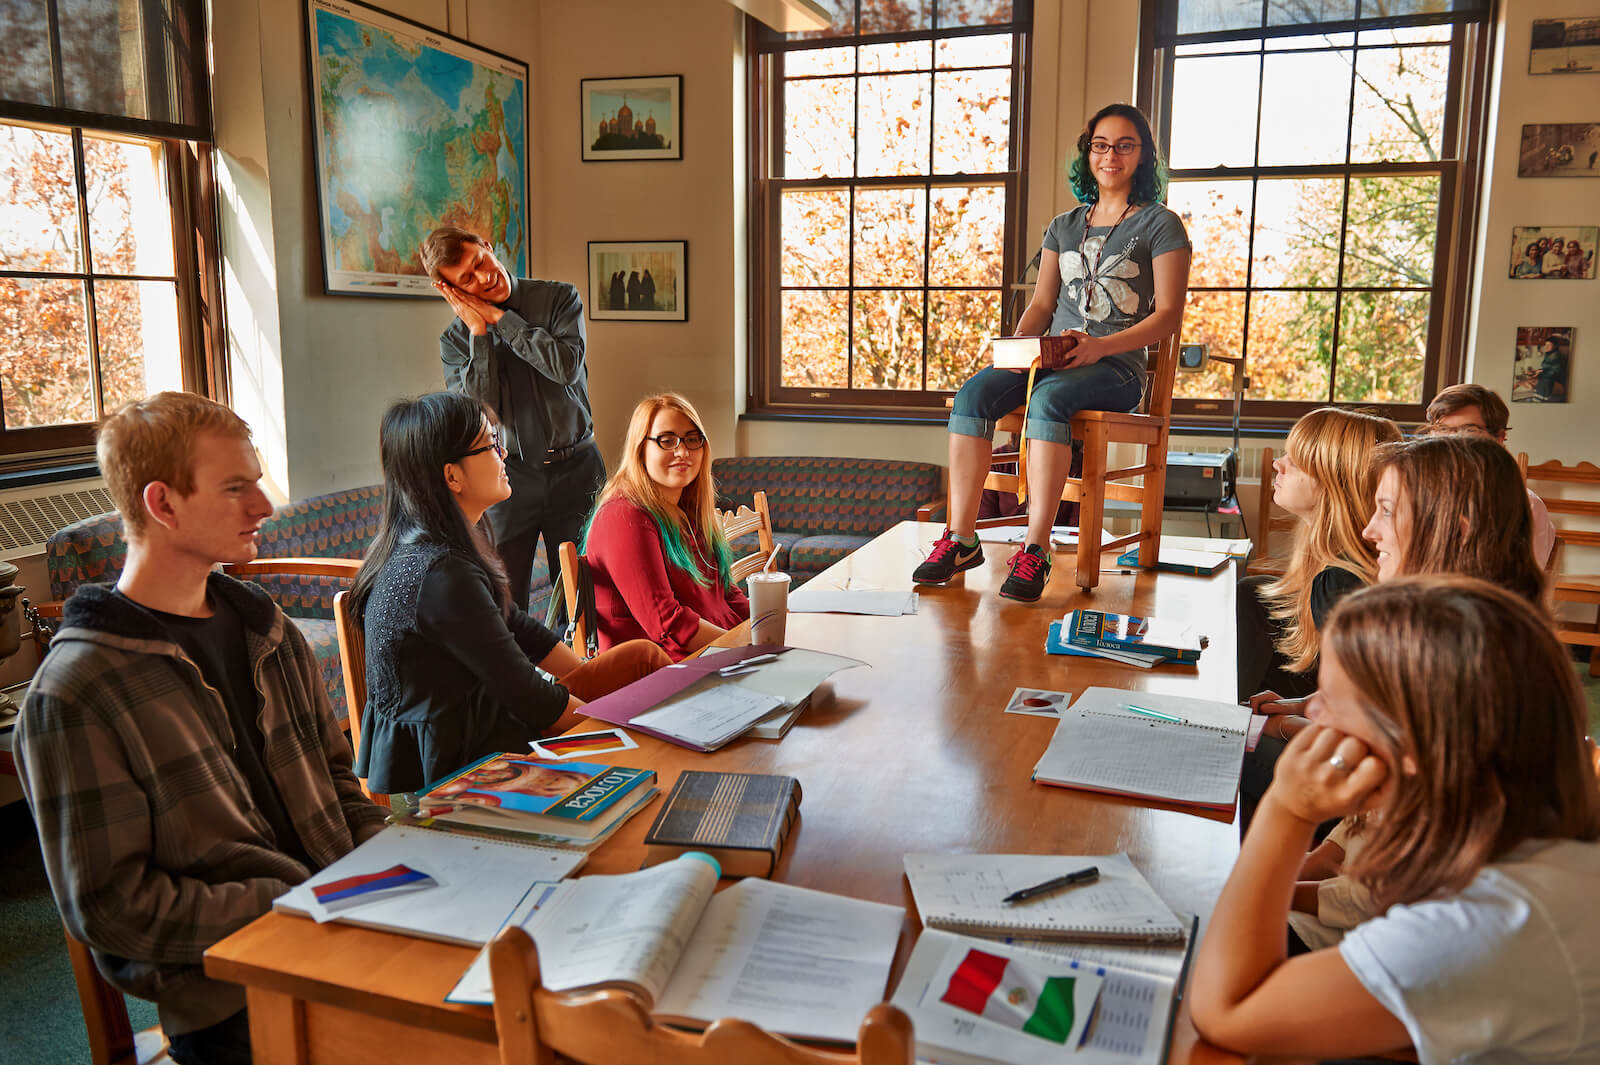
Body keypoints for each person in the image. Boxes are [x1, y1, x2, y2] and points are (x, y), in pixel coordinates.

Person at [15, 392, 387, 1065]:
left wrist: (392, 863)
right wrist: (287, 899)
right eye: (237, 488)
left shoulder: (265, 627)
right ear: (162, 504)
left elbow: (337, 777)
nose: (264, 507)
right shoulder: (77, 691)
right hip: (231, 992)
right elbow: (113, 905)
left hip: (347, 926)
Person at [1191, 577, 1600, 1062]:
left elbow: (1226, 1010)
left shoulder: (1494, 918)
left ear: (1411, 746)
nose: (1314, 712)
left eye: (1333, 700)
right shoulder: (1513, 834)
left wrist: (1289, 808)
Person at [914, 102, 1191, 602]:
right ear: (1088, 154)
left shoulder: (1161, 224)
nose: (1111, 155)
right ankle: (960, 539)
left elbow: (1168, 316)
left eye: (1125, 145)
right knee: (972, 396)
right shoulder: (1063, 226)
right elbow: (1042, 303)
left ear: (1145, 156)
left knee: (1048, 402)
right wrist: (1020, 348)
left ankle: (1034, 551)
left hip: (1117, 367)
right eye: (1101, 145)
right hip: (1052, 359)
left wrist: (1100, 346)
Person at [349, 392, 669, 796]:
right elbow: (531, 699)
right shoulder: (442, 575)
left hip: (488, 720)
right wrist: (616, 721)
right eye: (491, 445)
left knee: (642, 659)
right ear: (453, 476)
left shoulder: (445, 542)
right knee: (646, 718)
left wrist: (585, 681)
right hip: (463, 761)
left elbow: (516, 624)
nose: (505, 454)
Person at [421, 225, 605, 614]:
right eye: (467, 279)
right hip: (508, 479)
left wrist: (502, 319)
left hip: (578, 470)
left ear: (487, 246)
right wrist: (480, 331)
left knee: (587, 598)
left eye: (480, 261)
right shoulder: (455, 343)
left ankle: (586, 674)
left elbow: (565, 367)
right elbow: (479, 415)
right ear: (451, 292)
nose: (485, 276)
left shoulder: (559, 298)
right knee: (504, 601)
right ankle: (518, 676)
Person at [1236, 408, 1400, 704]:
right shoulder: (1340, 561)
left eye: (1295, 462)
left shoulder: (1339, 583)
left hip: (1336, 737)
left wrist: (1285, 723)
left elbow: (1359, 709)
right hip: (1314, 706)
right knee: (1253, 590)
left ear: (1334, 483)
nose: (1277, 464)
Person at [584, 393, 750, 661]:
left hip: (713, 655)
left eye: (692, 439)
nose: (682, 452)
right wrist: (744, 647)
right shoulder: (624, 516)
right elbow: (667, 624)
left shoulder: (687, 506)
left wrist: (773, 624)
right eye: (667, 440)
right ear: (641, 448)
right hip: (659, 673)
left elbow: (727, 595)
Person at [1423, 382, 1555, 565]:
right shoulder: (1416, 493)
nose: (1451, 442)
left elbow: (1522, 587)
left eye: (1468, 430)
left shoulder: (1526, 506)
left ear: (1499, 438)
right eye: (1443, 430)